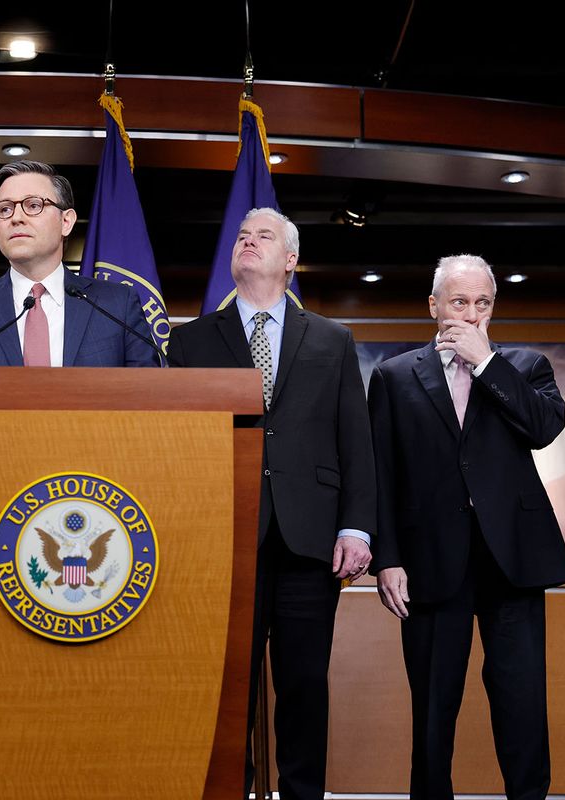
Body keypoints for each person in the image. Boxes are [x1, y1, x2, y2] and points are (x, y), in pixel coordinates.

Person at [167, 207, 375, 800]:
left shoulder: (332, 340)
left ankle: (303, 793)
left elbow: (354, 439)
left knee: (305, 682)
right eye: (240, 236)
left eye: (263, 236)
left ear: (290, 260)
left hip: (309, 540)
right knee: (228, 687)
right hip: (222, 540)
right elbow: (176, 448)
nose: (247, 242)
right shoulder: (190, 341)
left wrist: (357, 528)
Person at [368, 254, 565, 800]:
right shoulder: (394, 376)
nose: (472, 314)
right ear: (434, 306)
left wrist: (485, 364)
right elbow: (380, 477)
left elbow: (543, 428)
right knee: (434, 711)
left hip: (513, 562)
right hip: (431, 562)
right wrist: (387, 558)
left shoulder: (525, 366)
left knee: (523, 704)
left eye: (483, 303)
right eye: (460, 302)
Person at [0, 159, 159, 367]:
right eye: (5, 209)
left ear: (66, 221)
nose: (16, 218)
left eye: (34, 205)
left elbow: (148, 397)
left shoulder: (117, 306)